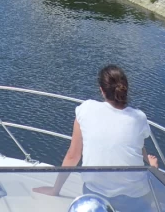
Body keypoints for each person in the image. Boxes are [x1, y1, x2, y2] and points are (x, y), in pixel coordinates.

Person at [33, 65, 158, 207]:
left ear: (102, 90)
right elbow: (136, 145)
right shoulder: (139, 117)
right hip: (134, 197)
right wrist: (150, 164)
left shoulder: (86, 109)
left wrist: (55, 190)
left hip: (96, 194)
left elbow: (73, 156)